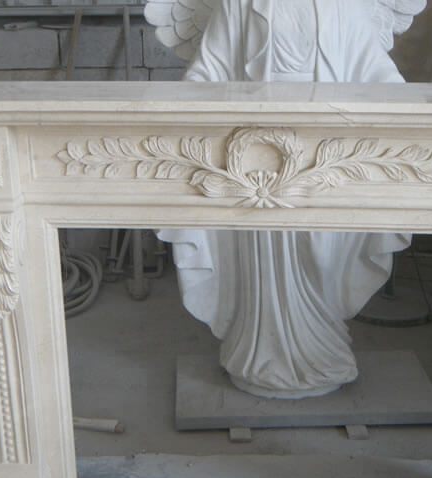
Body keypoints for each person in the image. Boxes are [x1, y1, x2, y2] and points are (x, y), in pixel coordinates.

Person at [158, 0, 417, 398]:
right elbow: (210, 67)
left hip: (324, 153)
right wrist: (178, 109)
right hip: (256, 156)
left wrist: (410, 108)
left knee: (323, 256)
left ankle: (322, 351)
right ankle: (258, 352)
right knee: (263, 254)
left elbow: (372, 66)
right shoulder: (241, 3)